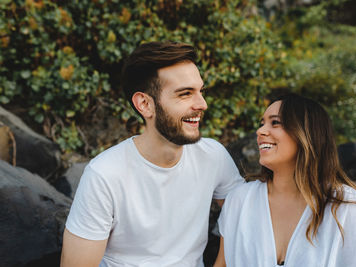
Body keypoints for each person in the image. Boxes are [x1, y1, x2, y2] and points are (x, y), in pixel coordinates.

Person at [60, 41, 244, 267]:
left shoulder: (213, 156)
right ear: (145, 104)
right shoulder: (104, 175)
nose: (202, 104)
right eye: (185, 94)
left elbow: (243, 215)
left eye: (200, 91)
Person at [214, 93, 356, 267]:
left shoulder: (344, 206)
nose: (260, 131)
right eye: (262, 124)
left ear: (306, 133)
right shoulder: (240, 200)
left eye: (275, 122)